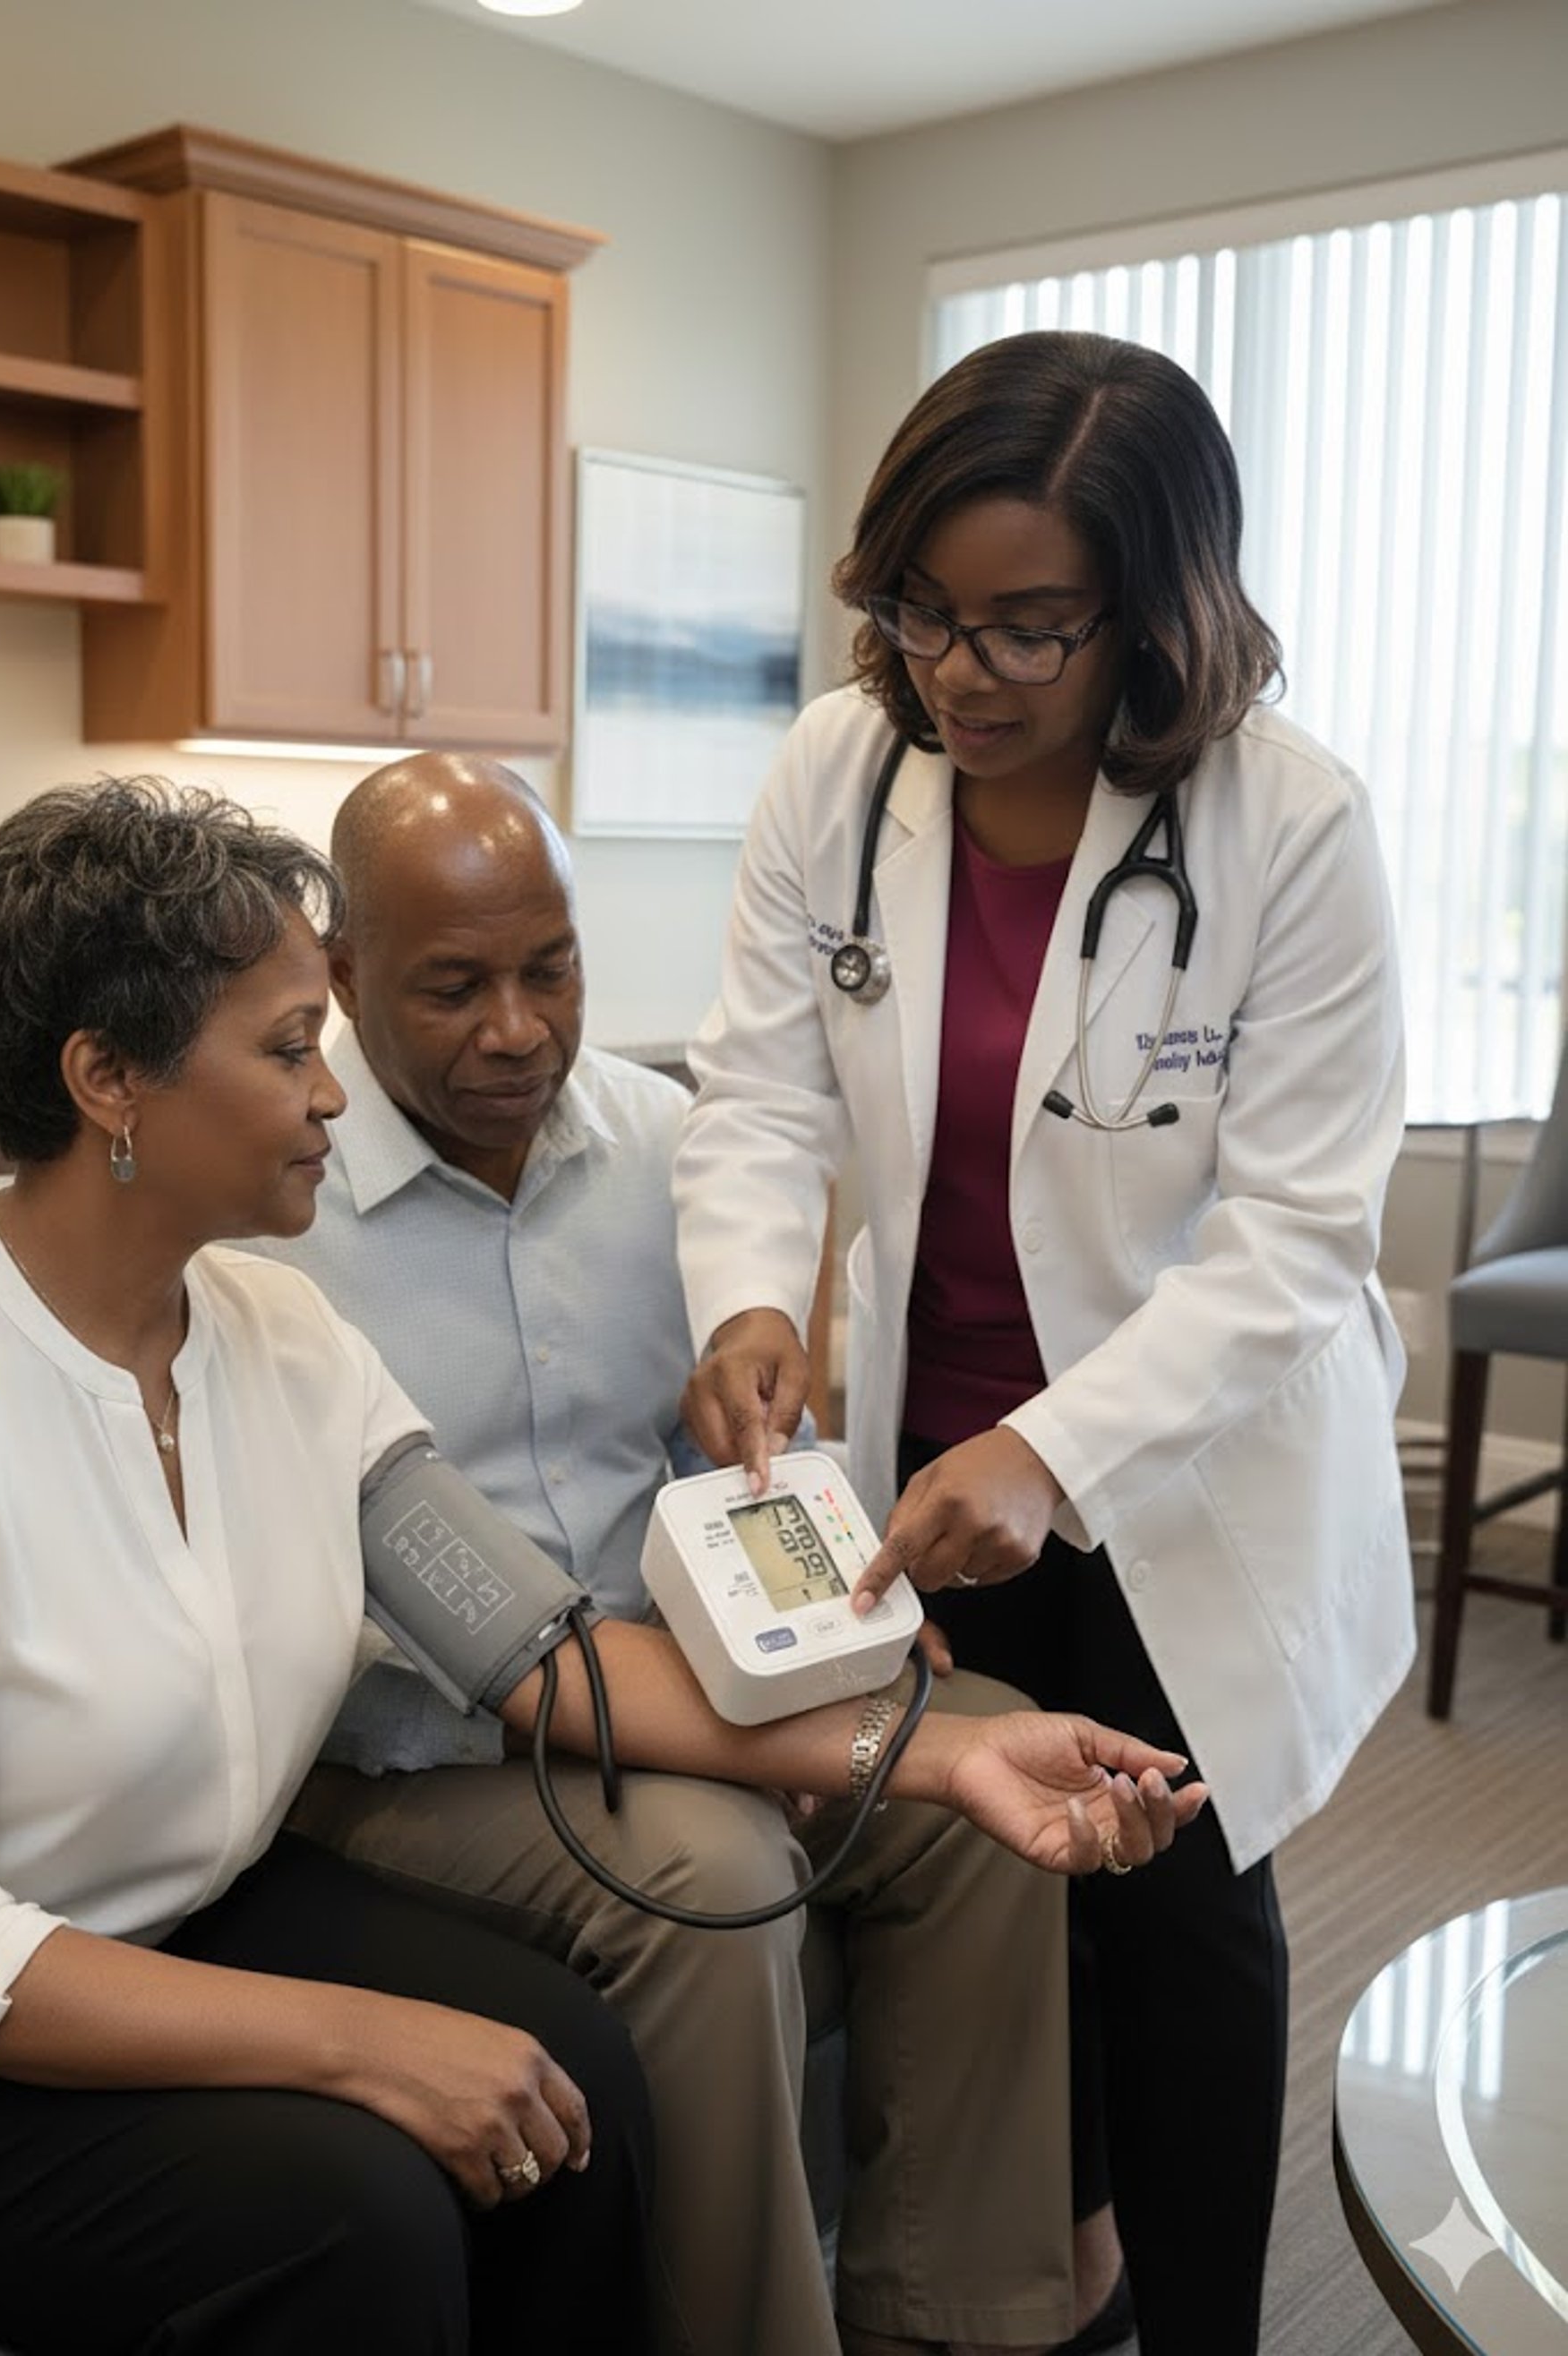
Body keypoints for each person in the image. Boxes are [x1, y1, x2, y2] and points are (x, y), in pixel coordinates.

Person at [0, 776, 1201, 2356]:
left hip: (191, 1912)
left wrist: (942, 1760)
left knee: (580, 2085)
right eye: (291, 1050)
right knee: (371, 2202)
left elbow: (542, 1653)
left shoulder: (285, 1340)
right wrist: (360, 2043)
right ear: (108, 1083)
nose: (331, 1095)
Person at [674, 330, 1415, 2356]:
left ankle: (1199, 2329)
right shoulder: (842, 779)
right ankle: (1059, 2273)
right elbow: (754, 1093)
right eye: (923, 609)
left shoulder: (1294, 826)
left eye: (1028, 628)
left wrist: (1058, 1453)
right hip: (931, 1448)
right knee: (1002, 1873)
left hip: (1187, 1463)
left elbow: (1294, 1238)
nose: (958, 670)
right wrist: (750, 1291)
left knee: (1178, 1906)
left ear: (1157, 612)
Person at [272, 750, 1182, 2356]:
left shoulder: (678, 1150)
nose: (519, 1028)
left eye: (550, 968)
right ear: (342, 976)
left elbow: (762, 1443)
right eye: (455, 986)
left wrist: (847, 1622)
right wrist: (738, 1732)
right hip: (414, 1752)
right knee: (709, 1865)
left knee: (989, 1785)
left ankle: (963, 2319)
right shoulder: (279, 1206)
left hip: (704, 1678)